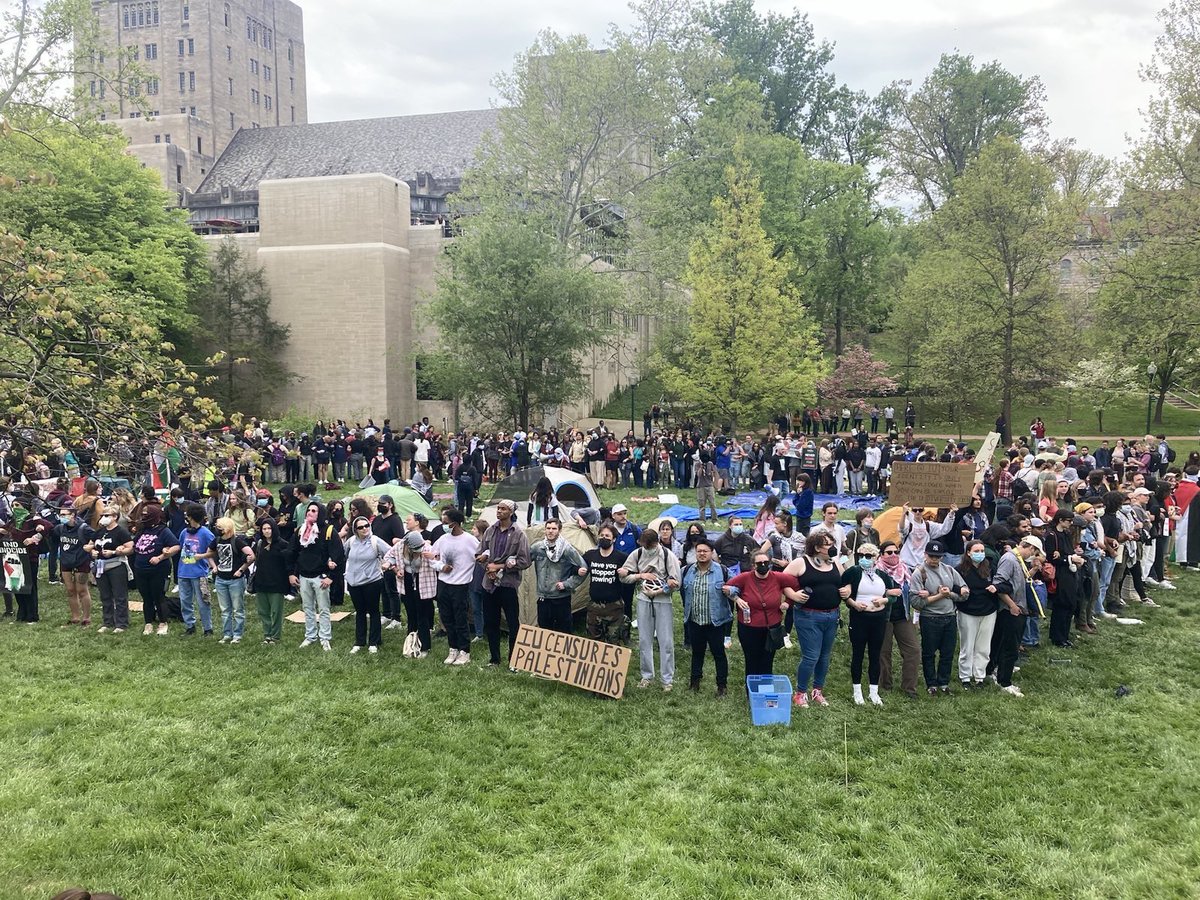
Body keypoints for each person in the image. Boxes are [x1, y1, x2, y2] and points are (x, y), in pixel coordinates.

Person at [784, 531, 851, 708]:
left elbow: (847, 581)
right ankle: (800, 693)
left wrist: (848, 590)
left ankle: (817, 691)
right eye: (828, 544)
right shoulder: (801, 562)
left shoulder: (835, 562)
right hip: (808, 616)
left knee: (824, 656)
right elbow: (782, 581)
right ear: (816, 547)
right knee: (811, 656)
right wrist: (793, 595)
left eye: (832, 543)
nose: (832, 547)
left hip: (832, 615)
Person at [621, 528, 682, 691]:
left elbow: (676, 583)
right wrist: (640, 576)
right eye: (644, 546)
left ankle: (667, 679)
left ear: (656, 543)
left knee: (666, 640)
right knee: (644, 639)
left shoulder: (668, 555)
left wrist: (662, 589)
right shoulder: (637, 554)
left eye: (650, 546)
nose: (647, 549)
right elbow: (624, 576)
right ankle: (646, 676)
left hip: (663, 600)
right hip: (643, 599)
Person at [841, 542, 902, 706]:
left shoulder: (882, 575)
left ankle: (873, 691)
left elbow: (893, 595)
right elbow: (843, 592)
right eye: (861, 556)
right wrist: (853, 604)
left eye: (868, 557)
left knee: (875, 654)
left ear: (875, 558)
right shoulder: (853, 572)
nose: (864, 559)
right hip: (860, 617)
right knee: (858, 654)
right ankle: (857, 690)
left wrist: (883, 600)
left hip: (878, 618)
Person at [476, 498, 532, 668]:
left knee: (513, 623)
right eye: (498, 508)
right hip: (489, 584)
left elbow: (525, 561)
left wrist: (500, 567)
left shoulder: (518, 534)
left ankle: (513, 661)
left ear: (511, 512)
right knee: (491, 622)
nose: (499, 511)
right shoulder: (490, 531)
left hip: (508, 584)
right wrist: (488, 568)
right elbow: (480, 553)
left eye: (503, 509)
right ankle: (494, 659)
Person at [908, 540, 969, 695]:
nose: (934, 559)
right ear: (925, 555)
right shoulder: (919, 573)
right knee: (929, 653)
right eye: (931, 556)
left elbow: (964, 593)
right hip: (930, 618)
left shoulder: (949, 570)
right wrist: (939, 596)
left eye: (938, 556)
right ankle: (931, 684)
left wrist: (953, 594)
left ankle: (944, 682)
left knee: (948, 653)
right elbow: (916, 602)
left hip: (949, 616)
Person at [987, 535, 1042, 697]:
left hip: (1017, 607)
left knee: (999, 643)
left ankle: (991, 671)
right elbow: (999, 584)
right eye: (1035, 552)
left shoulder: (1017, 560)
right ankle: (1005, 682)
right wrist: (1012, 605)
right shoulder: (1010, 560)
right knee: (1010, 647)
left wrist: (1033, 570)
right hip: (1011, 610)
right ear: (1030, 548)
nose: (1034, 555)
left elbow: (1019, 581)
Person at [726, 549, 792, 678]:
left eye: (765, 562)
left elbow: (796, 585)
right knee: (751, 661)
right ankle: (751, 692)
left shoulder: (778, 577)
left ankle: (766, 691)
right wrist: (737, 599)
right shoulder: (745, 577)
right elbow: (726, 588)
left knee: (767, 662)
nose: (763, 565)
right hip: (749, 627)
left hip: (772, 627)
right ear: (753, 565)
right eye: (759, 563)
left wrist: (788, 602)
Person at [427, 507, 480, 664]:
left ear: (455, 524)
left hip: (460, 585)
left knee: (460, 618)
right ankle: (453, 648)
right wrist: (440, 567)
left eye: (445, 523)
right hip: (443, 583)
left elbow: (483, 553)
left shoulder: (469, 540)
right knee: (446, 617)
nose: (443, 526)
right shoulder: (443, 539)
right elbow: (432, 557)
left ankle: (464, 651)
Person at [680, 538, 732, 696]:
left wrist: (731, 591)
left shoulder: (722, 570)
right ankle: (694, 682)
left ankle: (721, 686)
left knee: (718, 654)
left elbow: (736, 587)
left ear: (712, 553)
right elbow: (680, 589)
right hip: (695, 620)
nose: (702, 554)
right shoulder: (687, 570)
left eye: (705, 551)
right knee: (697, 652)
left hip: (715, 621)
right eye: (699, 551)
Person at [290, 501, 343, 651]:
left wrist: (331, 577)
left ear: (320, 513)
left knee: (324, 609)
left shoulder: (328, 531)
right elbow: (292, 552)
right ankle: (310, 635)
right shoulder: (301, 530)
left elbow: (338, 556)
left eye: (314, 510)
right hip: (304, 576)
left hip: (321, 576)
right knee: (307, 608)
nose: (310, 513)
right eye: (309, 510)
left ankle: (325, 637)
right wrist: (292, 574)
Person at [339, 514, 391, 655]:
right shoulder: (351, 541)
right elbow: (342, 554)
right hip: (354, 582)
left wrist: (388, 564)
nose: (364, 529)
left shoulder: (375, 541)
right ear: (355, 530)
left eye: (367, 525)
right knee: (360, 612)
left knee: (373, 611)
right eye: (360, 527)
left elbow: (392, 553)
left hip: (372, 581)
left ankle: (374, 642)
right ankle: (360, 642)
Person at [529, 518, 587, 633]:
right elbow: (524, 561)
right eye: (548, 528)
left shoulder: (567, 549)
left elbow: (583, 568)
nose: (551, 531)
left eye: (554, 529)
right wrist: (511, 562)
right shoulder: (537, 548)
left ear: (559, 530)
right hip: (543, 597)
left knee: (563, 630)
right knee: (544, 630)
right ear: (545, 530)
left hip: (561, 598)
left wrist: (567, 584)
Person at [955, 540, 999, 688]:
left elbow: (999, 582)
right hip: (968, 611)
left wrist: (995, 587)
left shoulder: (989, 567)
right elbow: (953, 586)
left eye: (982, 551)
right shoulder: (960, 569)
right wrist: (960, 591)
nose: (980, 554)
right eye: (976, 551)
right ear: (968, 552)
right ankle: (965, 677)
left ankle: (979, 676)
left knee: (984, 647)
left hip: (988, 610)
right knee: (967, 646)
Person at [131, 506, 180, 636]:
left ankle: (163, 622)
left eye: (147, 515)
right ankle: (148, 623)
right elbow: (133, 545)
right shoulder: (142, 530)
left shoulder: (163, 531)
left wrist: (161, 557)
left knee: (159, 597)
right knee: (146, 597)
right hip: (140, 568)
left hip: (158, 569)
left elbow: (176, 546)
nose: (144, 517)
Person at [86, 505, 134, 634]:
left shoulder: (121, 532)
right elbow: (90, 545)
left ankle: (122, 623)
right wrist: (92, 552)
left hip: (116, 566)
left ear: (115, 517)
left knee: (120, 596)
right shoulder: (99, 532)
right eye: (102, 515)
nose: (103, 518)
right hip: (101, 567)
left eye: (107, 515)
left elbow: (130, 548)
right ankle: (107, 622)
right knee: (105, 596)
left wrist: (115, 552)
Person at [582, 523, 629, 645]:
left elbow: (635, 572)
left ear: (613, 539)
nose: (604, 538)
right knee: (593, 643)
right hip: (594, 607)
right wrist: (578, 570)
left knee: (614, 643)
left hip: (614, 607)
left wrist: (627, 571)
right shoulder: (590, 555)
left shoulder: (622, 557)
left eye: (607, 536)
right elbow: (576, 566)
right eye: (601, 535)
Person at [211, 516, 255, 644]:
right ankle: (227, 634)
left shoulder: (237, 541)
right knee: (225, 609)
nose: (217, 529)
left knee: (237, 609)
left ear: (227, 529)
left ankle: (237, 634)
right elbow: (208, 553)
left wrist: (241, 569)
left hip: (235, 580)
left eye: (219, 527)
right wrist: (214, 567)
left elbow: (251, 555)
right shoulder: (217, 540)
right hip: (220, 579)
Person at [176, 504, 216, 637]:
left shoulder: (206, 533)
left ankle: (207, 628)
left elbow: (214, 551)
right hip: (183, 572)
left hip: (199, 573)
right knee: (185, 601)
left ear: (191, 517)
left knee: (203, 601)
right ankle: (190, 626)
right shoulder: (184, 533)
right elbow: (181, 547)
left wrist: (203, 557)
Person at [53, 505, 95, 627]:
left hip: (81, 561)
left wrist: (90, 546)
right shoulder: (60, 528)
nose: (62, 517)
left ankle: (86, 618)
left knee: (82, 590)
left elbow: (95, 536)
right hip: (66, 562)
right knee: (70, 590)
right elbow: (51, 533)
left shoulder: (83, 528)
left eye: (64, 514)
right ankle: (75, 617)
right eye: (60, 515)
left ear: (72, 515)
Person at [252, 518, 291, 645]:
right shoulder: (259, 544)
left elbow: (289, 563)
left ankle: (275, 636)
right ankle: (267, 635)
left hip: (277, 583)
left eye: (269, 528)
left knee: (275, 612)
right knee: (263, 611)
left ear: (274, 529)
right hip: (261, 582)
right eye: (264, 529)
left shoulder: (283, 544)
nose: (267, 531)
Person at [371, 495, 405, 630]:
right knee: (383, 588)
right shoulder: (377, 520)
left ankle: (396, 617)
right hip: (378, 558)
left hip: (391, 559)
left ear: (390, 505)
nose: (380, 505)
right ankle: (386, 613)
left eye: (383, 503)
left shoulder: (395, 520)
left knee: (392, 589)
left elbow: (399, 539)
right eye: (379, 503)